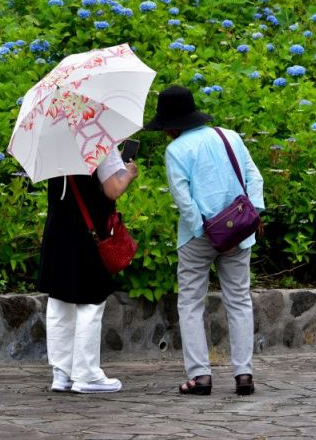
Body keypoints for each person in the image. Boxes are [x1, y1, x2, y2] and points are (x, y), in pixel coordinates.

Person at [144, 85, 264, 396]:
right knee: (239, 301)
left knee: (190, 304)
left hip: (199, 237)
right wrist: (249, 217)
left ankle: (200, 377)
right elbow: (255, 178)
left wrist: (204, 231)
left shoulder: (176, 150)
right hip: (239, 233)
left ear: (170, 125)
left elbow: (184, 201)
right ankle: (244, 375)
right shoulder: (230, 136)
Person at [38, 146, 138, 394]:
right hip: (89, 233)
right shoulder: (97, 140)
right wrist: (128, 173)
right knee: (90, 303)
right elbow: (112, 189)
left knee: (60, 301)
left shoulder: (53, 141)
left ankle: (61, 374)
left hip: (58, 230)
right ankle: (87, 374)